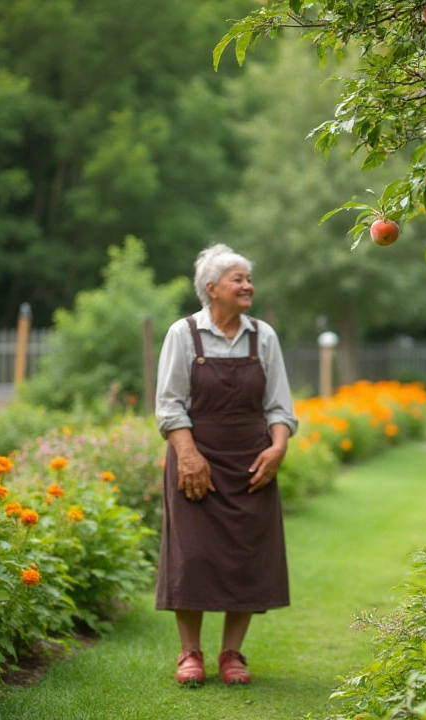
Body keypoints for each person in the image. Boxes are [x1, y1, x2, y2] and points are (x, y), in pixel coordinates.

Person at [154, 244, 297, 686]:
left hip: (252, 462)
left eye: (248, 279)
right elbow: (169, 405)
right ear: (211, 289)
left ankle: (232, 654)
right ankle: (189, 654)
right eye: (238, 279)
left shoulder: (263, 337)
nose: (247, 286)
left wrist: (277, 449)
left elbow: (280, 407)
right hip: (197, 459)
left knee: (245, 556)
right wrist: (189, 455)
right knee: (192, 556)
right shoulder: (183, 334)